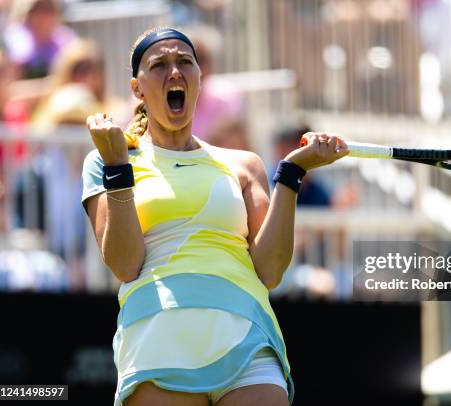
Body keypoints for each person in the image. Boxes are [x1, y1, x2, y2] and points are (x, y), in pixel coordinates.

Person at [81, 27, 348, 406]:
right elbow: (125, 265)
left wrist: (291, 171)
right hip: (159, 339)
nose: (174, 72)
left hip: (247, 338)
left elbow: (270, 271)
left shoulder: (244, 164)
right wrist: (117, 168)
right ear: (137, 88)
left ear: (199, 80)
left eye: (185, 62)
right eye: (159, 65)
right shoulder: (107, 159)